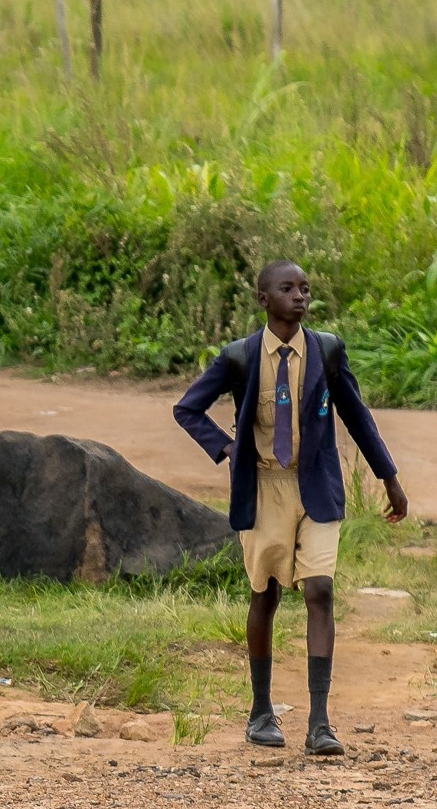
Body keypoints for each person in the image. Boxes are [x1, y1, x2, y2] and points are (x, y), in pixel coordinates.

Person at [173, 259, 407, 758]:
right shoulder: (239, 357)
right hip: (264, 488)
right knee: (267, 594)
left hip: (316, 485)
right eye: (287, 288)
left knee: (320, 589)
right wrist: (226, 446)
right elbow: (187, 408)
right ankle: (261, 713)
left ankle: (319, 723)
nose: (299, 296)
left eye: (305, 288)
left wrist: (389, 477)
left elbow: (357, 415)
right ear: (264, 299)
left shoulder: (326, 350)